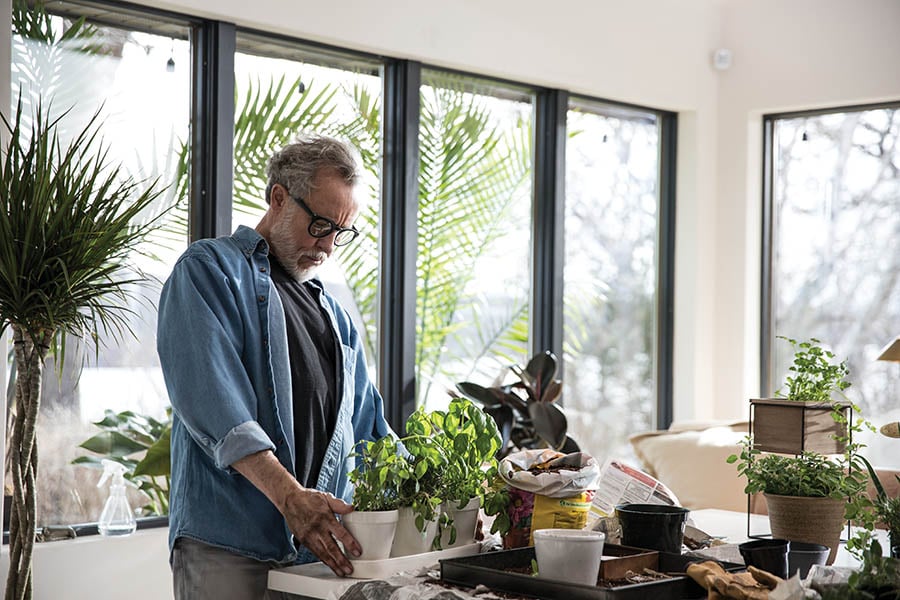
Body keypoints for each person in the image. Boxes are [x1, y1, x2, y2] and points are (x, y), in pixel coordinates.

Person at [157, 135, 393, 599]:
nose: (327, 246)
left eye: (340, 233)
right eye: (320, 224)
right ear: (279, 197)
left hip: (311, 557)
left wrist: (462, 498)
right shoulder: (208, 271)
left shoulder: (336, 318)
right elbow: (216, 407)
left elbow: (372, 437)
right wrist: (291, 498)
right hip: (227, 550)